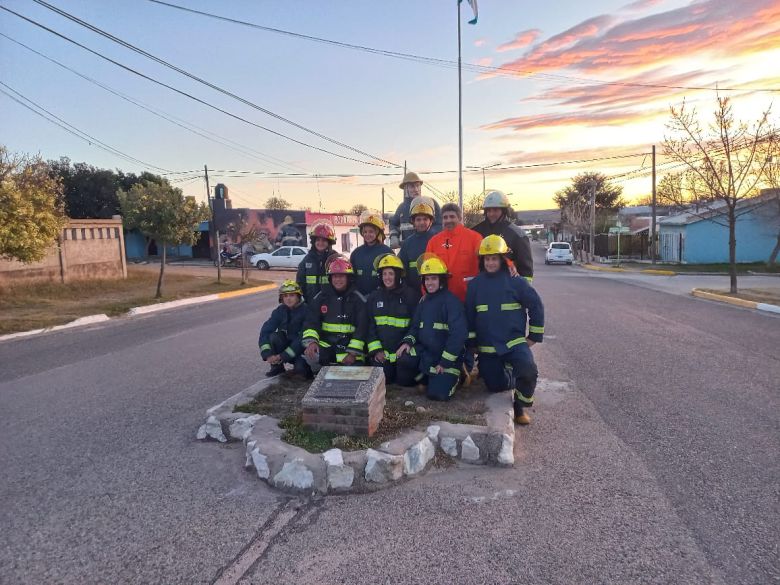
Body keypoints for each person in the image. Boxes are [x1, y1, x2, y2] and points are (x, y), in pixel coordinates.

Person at [465, 235, 544, 425]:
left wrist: (533, 335)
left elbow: (536, 305)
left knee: (528, 370)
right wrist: (472, 343)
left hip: (514, 342)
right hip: (488, 346)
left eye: (494, 258)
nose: (491, 262)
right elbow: (469, 316)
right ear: (482, 261)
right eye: (487, 258)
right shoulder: (475, 285)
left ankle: (519, 406)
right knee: (495, 386)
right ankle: (506, 372)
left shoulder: (516, 281)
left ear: (502, 259)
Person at [396, 255, 467, 401]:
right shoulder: (424, 302)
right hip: (427, 353)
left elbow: (458, 336)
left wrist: (445, 362)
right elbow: (415, 327)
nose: (430, 283)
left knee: (437, 395)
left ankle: (458, 376)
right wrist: (407, 342)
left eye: (433, 278)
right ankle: (427, 375)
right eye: (427, 279)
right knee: (403, 363)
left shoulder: (451, 302)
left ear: (441, 280)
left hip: (447, 358)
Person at [302, 256, 368, 371]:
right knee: (307, 361)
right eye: (335, 276)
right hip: (326, 345)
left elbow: (362, 328)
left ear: (349, 278)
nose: (338, 280)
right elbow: (311, 322)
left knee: (352, 373)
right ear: (330, 278)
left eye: (341, 276)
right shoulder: (321, 297)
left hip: (349, 347)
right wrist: (312, 342)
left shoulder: (358, 300)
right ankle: (318, 373)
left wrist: (352, 353)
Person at [366, 253, 421, 385]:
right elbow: (369, 326)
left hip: (402, 351)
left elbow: (416, 324)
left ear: (397, 275)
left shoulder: (410, 295)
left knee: (405, 382)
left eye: (391, 273)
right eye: (384, 274)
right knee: (386, 380)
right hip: (383, 353)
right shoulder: (374, 297)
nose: (387, 277)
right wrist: (376, 350)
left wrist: (407, 342)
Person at [425, 203, 483, 303]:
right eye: (445, 217)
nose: (448, 220)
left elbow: (489, 259)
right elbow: (426, 271)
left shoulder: (475, 238)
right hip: (442, 298)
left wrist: (508, 264)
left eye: (452, 217)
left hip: (469, 297)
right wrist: (426, 293)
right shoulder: (433, 242)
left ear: (459, 218)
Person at [472, 190, 534, 281]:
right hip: (482, 286)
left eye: (495, 210)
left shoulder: (518, 235)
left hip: (507, 287)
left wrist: (522, 290)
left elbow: (526, 269)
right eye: (488, 210)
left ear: (504, 211)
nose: (491, 214)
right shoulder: (475, 232)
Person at [258, 280, 310, 378]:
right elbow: (265, 331)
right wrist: (267, 354)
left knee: (302, 371)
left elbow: (302, 339)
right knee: (273, 336)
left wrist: (283, 356)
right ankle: (276, 367)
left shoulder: (306, 311)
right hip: (286, 349)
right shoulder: (279, 311)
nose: (288, 299)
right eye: (285, 296)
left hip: (301, 350)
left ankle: (301, 368)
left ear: (298, 296)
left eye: (292, 295)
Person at [388, 171, 442, 247]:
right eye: (412, 186)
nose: (416, 189)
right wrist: (393, 236)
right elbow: (393, 223)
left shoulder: (431, 203)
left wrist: (429, 235)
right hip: (408, 249)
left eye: (418, 186)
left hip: (429, 247)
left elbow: (440, 225)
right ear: (405, 189)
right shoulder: (401, 208)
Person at [398, 196, 437, 293]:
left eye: (425, 219)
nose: (421, 222)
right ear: (413, 222)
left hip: (434, 291)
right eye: (418, 219)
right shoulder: (407, 243)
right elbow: (402, 270)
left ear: (431, 221)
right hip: (412, 292)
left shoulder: (437, 240)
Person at [350, 210, 393, 296]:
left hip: (380, 298)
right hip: (359, 299)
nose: (367, 234)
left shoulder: (387, 252)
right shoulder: (356, 253)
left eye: (371, 232)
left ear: (377, 233)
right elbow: (351, 278)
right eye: (365, 232)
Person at [296, 220, 338, 303]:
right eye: (318, 240)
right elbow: (300, 282)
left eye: (324, 240)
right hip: (311, 303)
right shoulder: (307, 259)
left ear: (329, 242)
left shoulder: (335, 259)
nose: (320, 243)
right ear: (313, 241)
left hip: (332, 304)